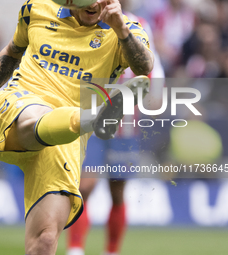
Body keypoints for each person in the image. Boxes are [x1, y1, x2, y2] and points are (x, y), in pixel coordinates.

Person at [0, 0, 154, 254]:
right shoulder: (36, 8)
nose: (95, 3)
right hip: (21, 104)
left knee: (45, 240)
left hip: (66, 140)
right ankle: (92, 117)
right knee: (36, 117)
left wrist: (120, 28)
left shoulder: (128, 28)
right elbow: (12, 52)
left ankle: (90, 118)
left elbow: (144, 68)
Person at [66, 5, 165, 255]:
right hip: (92, 119)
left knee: (117, 190)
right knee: (85, 186)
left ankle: (111, 251)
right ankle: (75, 248)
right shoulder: (91, 21)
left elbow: (153, 68)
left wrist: (154, 94)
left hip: (126, 125)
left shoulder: (140, 23)